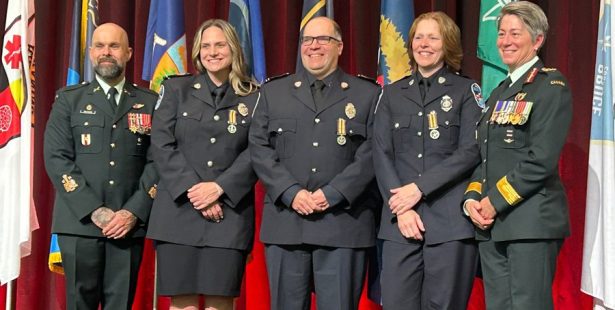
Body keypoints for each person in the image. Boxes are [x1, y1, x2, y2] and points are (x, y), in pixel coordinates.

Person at [249, 16, 381, 310]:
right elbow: (258, 147)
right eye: (307, 40)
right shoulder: (274, 92)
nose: (313, 46)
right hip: (287, 222)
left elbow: (373, 152)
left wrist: (332, 194)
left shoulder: (368, 94)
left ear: (340, 46)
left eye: (323, 39)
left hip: (343, 223)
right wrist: (291, 192)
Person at [463, 2, 572, 309]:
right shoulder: (498, 92)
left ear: (537, 40)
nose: (505, 41)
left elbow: (541, 160)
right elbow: (484, 157)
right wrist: (472, 199)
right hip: (492, 225)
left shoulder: (550, 86)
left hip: (529, 224)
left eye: (515, 33)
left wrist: (493, 202)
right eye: (501, 33)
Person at [146, 19, 259, 310]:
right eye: (206, 45)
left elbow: (257, 150)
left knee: (219, 302)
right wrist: (195, 190)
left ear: (233, 49)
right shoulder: (176, 89)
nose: (212, 52)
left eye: (220, 44)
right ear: (197, 52)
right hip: (178, 211)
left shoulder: (255, 96)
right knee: (181, 303)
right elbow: (161, 143)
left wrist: (219, 188)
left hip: (229, 214)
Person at [44, 23, 158, 309]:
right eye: (100, 46)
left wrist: (133, 211)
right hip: (80, 223)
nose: (106, 52)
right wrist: (94, 211)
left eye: (114, 46)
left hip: (127, 226)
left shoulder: (150, 102)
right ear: (91, 53)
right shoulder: (69, 100)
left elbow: (159, 161)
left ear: (129, 53)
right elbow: (57, 159)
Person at [373, 11, 482, 309]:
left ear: (447, 44)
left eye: (433, 37)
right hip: (399, 223)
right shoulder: (392, 94)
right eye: (418, 37)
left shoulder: (465, 92)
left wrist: (418, 189)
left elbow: (470, 150)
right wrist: (402, 207)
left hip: (449, 224)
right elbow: (381, 153)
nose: (424, 44)